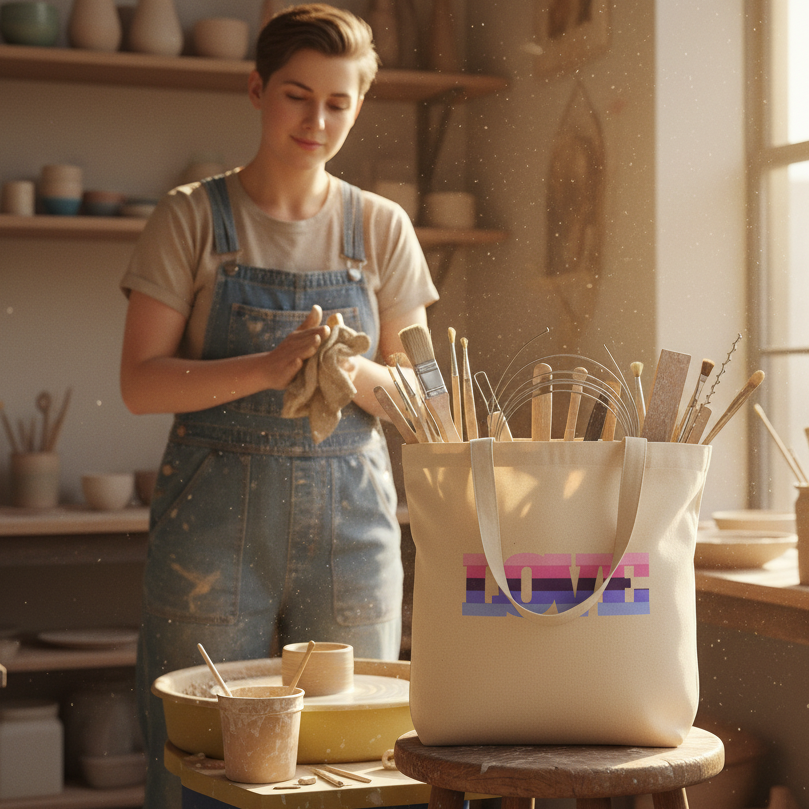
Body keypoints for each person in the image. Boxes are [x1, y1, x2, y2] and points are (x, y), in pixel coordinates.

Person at [119, 5, 438, 806]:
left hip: (350, 527)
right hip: (212, 527)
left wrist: (344, 366)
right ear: (257, 89)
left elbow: (428, 403)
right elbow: (140, 383)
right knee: (201, 754)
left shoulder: (381, 228)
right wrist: (268, 366)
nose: (316, 121)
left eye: (338, 103)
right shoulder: (192, 216)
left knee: (351, 755)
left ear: (359, 105)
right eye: (297, 96)